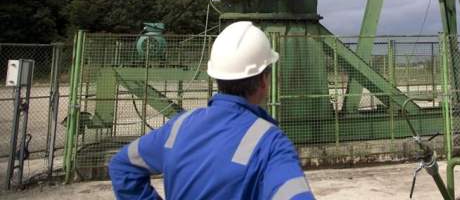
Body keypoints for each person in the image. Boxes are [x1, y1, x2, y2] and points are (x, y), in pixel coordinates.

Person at [109, 21, 314, 199]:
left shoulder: (178, 127)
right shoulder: (270, 143)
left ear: (217, 76)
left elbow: (122, 165)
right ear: (263, 81)